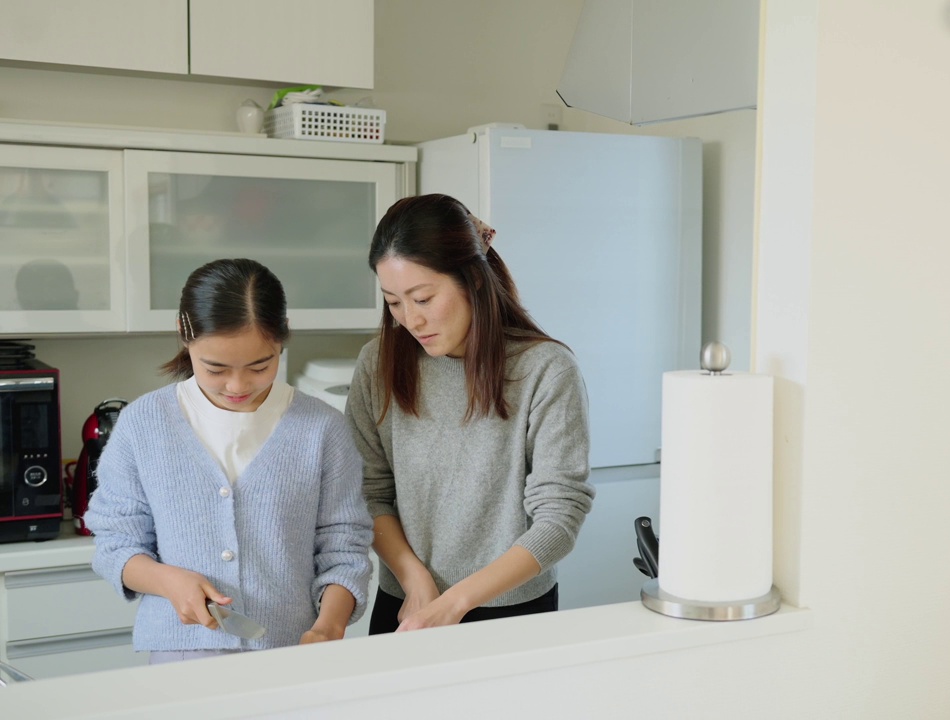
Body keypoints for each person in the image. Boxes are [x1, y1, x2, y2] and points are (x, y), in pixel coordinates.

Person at [85, 258, 373, 663]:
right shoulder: (143, 425)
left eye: (261, 365)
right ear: (185, 337)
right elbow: (115, 544)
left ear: (282, 339)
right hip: (179, 656)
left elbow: (343, 550)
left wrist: (328, 627)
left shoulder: (322, 429)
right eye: (215, 368)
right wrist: (169, 581)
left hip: (292, 653)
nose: (237, 386)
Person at [347, 193, 594, 634]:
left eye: (423, 298)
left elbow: (559, 517)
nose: (410, 320)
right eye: (394, 302)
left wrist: (456, 601)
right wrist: (414, 578)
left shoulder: (545, 370)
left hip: (511, 612)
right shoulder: (378, 362)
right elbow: (370, 491)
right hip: (407, 603)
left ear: (474, 281)